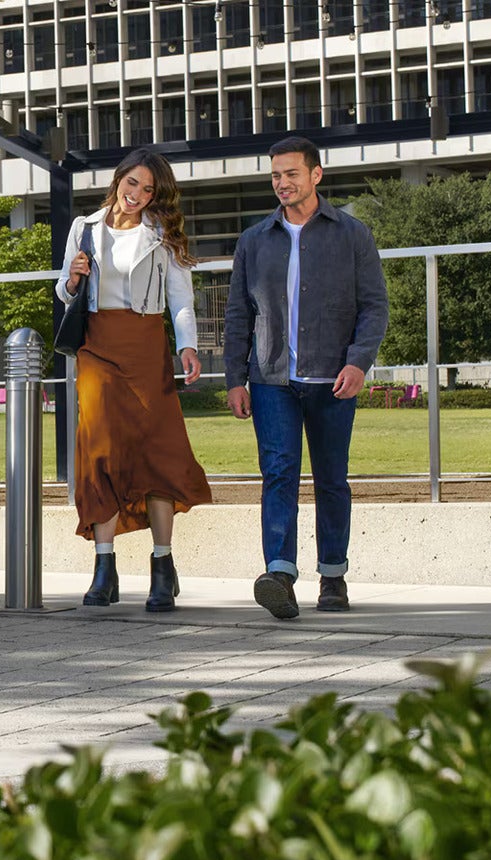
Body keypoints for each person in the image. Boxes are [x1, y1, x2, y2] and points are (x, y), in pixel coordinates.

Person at [223, 136, 388, 620]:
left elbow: (374, 306)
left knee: (331, 478)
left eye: (291, 174)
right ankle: (280, 575)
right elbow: (237, 313)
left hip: (333, 377)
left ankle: (333, 575)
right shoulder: (254, 241)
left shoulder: (351, 234)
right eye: (275, 175)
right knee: (278, 474)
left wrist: (358, 362)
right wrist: (235, 376)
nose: (282, 183)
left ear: (316, 175)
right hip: (272, 378)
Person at [55, 148, 212, 612]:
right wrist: (73, 279)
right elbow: (64, 291)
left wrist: (187, 345)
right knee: (99, 451)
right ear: (118, 179)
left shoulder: (162, 234)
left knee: (157, 453)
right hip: (98, 348)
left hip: (147, 348)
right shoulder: (84, 227)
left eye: (148, 190)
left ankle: (162, 566)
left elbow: (181, 299)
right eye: (133, 184)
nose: (137, 196)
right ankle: (104, 567)